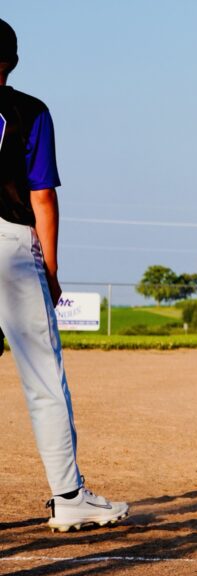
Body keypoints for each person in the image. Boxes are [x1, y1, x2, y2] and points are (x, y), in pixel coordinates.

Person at [0, 18, 129, 532]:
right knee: (43, 380)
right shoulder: (29, 110)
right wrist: (50, 269)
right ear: (11, 61)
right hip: (9, 247)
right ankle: (68, 496)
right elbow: (42, 196)